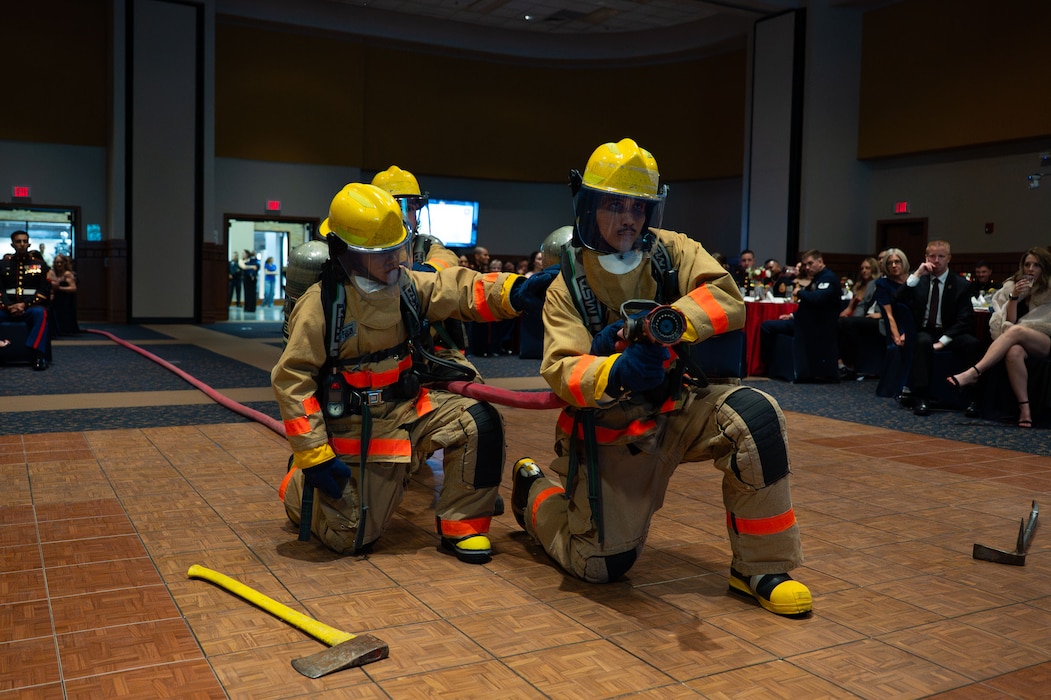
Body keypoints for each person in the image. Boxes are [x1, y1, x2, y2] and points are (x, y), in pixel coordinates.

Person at [511, 139, 810, 616]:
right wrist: (618, 369)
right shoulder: (567, 280)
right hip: (613, 427)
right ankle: (533, 491)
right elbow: (562, 369)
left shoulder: (674, 251)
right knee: (600, 566)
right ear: (589, 205)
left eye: (639, 207)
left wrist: (673, 321)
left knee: (755, 413)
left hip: (680, 405)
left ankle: (761, 567)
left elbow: (727, 298)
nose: (629, 218)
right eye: (615, 204)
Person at [271, 182, 555, 563]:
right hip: (356, 428)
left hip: (408, 408)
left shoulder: (405, 286)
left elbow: (457, 288)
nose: (394, 260)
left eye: (397, 249)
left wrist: (515, 292)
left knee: (479, 420)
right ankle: (298, 484)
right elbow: (292, 381)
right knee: (350, 538)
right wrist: (314, 456)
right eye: (381, 253)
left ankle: (464, 526)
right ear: (348, 255)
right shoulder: (321, 305)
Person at [949, 247, 1051, 428]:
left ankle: (974, 372)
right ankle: (1025, 409)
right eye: (1027, 264)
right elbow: (1009, 321)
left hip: (1045, 338)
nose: (1031, 269)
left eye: (1036, 265)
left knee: (1015, 331)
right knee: (1013, 351)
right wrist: (1014, 297)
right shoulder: (1013, 286)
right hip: (1021, 337)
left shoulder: (1049, 288)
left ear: (1044, 267)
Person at [895, 239, 980, 416]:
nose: (936, 260)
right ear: (926, 257)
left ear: (948, 258)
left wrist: (943, 341)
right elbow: (898, 301)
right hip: (925, 331)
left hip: (951, 332)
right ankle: (922, 397)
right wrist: (917, 274)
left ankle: (973, 398)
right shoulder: (919, 280)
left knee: (973, 344)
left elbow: (966, 319)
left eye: (941, 256)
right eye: (932, 256)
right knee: (922, 342)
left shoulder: (961, 284)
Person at [759, 249, 842, 382]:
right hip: (804, 321)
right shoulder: (818, 278)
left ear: (820, 261)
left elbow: (817, 299)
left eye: (810, 263)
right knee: (767, 325)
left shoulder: (828, 278)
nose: (807, 268)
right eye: (805, 265)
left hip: (816, 325)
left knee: (767, 327)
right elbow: (808, 306)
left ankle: (766, 366)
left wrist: (799, 292)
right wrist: (792, 315)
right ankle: (774, 367)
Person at [0, 230, 51, 370]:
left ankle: (38, 355)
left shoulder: (40, 264)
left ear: (29, 243)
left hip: (30, 307)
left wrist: (24, 304)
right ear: (12, 244)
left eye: (25, 241)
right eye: (18, 241)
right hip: (7, 308)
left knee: (41, 313)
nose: (22, 244)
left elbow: (43, 291)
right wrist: (8, 306)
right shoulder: (3, 264)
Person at [836, 257, 882, 379]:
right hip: (861, 317)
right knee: (839, 323)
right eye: (862, 268)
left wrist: (881, 314)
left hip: (877, 318)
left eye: (867, 268)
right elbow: (858, 307)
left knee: (846, 324)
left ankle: (847, 363)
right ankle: (841, 363)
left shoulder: (879, 283)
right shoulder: (862, 285)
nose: (864, 271)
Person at [47, 254, 80, 336]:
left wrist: (59, 289)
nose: (59, 264)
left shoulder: (67, 274)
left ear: (64, 263)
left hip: (65, 299)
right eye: (57, 262)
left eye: (61, 262)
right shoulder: (52, 272)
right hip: (55, 300)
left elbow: (73, 288)